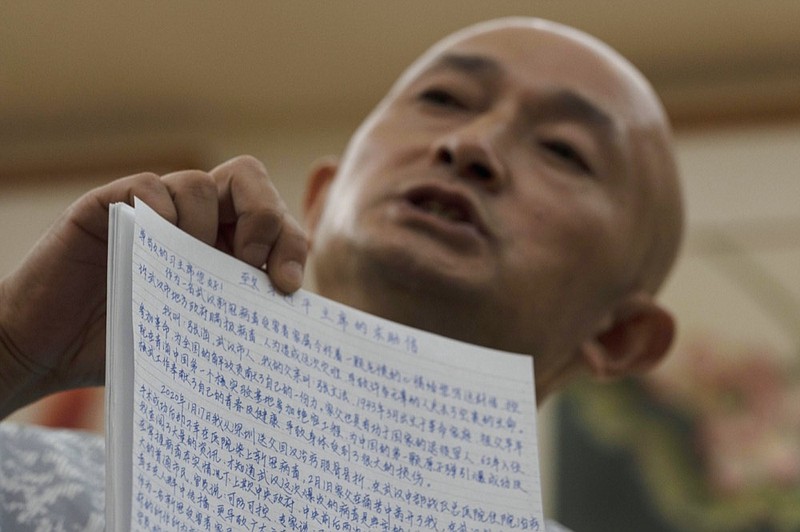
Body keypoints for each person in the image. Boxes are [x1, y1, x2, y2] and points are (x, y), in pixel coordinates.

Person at [0, 17, 683, 531]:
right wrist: (14, 349)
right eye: (444, 99)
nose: (472, 145)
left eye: (565, 150)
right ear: (322, 199)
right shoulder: (34, 487)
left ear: (621, 334)